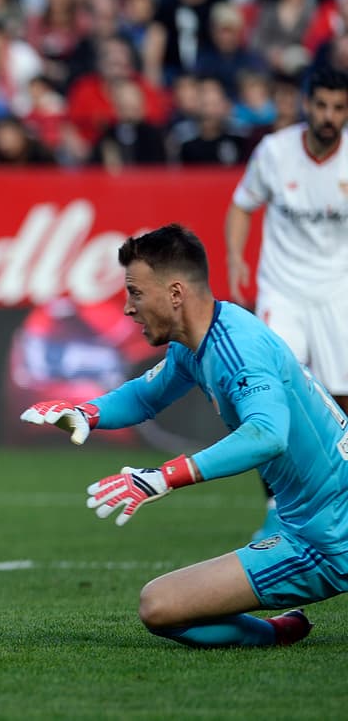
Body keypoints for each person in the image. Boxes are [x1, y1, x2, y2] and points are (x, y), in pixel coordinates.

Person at [20, 223, 346, 649]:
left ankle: (275, 629)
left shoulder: (236, 349)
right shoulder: (199, 340)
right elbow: (146, 395)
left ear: (175, 294)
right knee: (159, 605)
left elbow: (267, 435)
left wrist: (162, 477)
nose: (127, 308)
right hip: (309, 526)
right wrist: (86, 412)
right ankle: (278, 630)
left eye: (136, 293)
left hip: (330, 531)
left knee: (161, 608)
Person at [225, 65, 348, 538]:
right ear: (306, 103)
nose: (328, 116)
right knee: (268, 392)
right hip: (284, 290)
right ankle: (277, 508)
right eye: (321, 105)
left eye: (338, 108)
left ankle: (337, 501)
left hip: (338, 289)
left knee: (338, 400)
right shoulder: (275, 152)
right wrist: (236, 257)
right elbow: (242, 204)